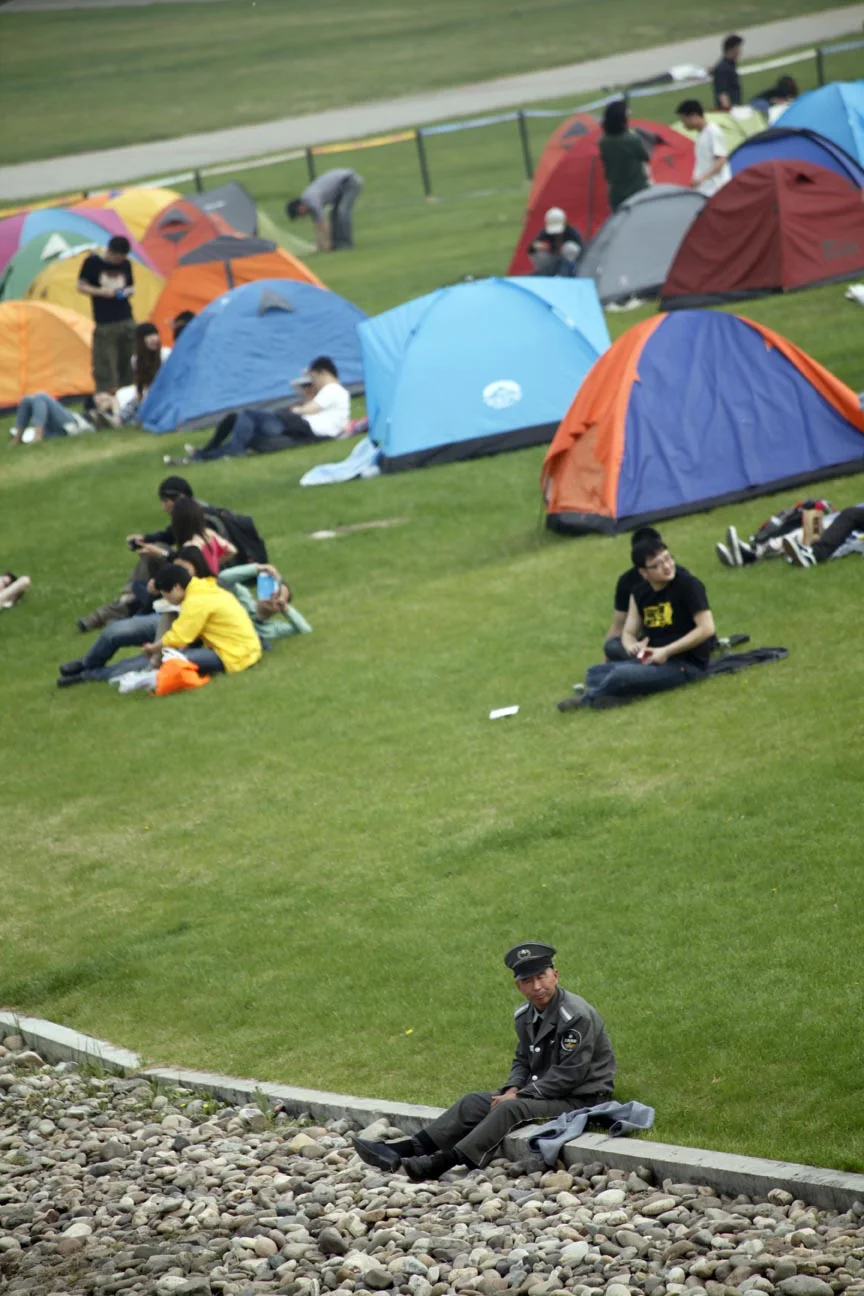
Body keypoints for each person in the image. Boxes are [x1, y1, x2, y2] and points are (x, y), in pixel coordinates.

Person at [352, 942, 616, 1181]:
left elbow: (571, 1074)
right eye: (528, 980)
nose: (537, 986)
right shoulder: (525, 1015)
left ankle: (443, 1162)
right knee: (473, 1102)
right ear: (518, 986)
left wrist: (520, 1095)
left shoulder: (575, 1016)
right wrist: (512, 1087)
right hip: (545, 1091)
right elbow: (523, 1060)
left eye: (541, 977)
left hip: (581, 1098)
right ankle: (404, 1150)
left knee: (509, 1109)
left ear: (555, 975)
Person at [559, 536, 715, 711]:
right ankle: (627, 693)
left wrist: (666, 651)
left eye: (668, 558)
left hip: (684, 663)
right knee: (595, 671)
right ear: (643, 572)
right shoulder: (639, 593)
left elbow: (707, 628)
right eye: (657, 565)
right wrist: (632, 645)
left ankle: (588, 699)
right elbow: (628, 632)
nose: (667, 566)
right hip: (650, 657)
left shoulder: (688, 585)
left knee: (620, 674)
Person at [182, 357, 351, 461]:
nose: (313, 383)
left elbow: (311, 408)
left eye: (313, 378)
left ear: (323, 373)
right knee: (238, 422)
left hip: (302, 426)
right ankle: (204, 454)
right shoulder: (339, 393)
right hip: (305, 430)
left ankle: (215, 451)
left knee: (248, 414)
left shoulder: (332, 389)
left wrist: (295, 411)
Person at [77, 235, 136, 393]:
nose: (119, 261)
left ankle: (128, 393)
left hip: (126, 318)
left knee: (128, 362)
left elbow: (132, 287)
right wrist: (102, 292)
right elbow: (81, 286)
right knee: (105, 364)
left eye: (122, 258)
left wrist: (126, 292)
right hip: (104, 322)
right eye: (117, 257)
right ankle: (106, 394)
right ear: (110, 251)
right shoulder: (93, 262)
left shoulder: (126, 264)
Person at [604, 527, 664, 661]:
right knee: (611, 647)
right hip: (647, 642)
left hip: (673, 641)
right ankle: (643, 662)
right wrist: (604, 665)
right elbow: (619, 626)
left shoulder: (676, 576)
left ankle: (644, 663)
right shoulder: (628, 583)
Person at [218, 563, 312, 640]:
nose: (273, 598)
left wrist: (286, 610)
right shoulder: (243, 597)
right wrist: (259, 568)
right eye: (271, 591)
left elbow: (305, 630)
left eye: (279, 598)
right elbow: (223, 579)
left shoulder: (274, 629)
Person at [286, 168, 364, 251]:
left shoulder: (311, 200)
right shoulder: (308, 203)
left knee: (343, 211)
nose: (302, 216)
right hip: (340, 188)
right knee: (334, 214)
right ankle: (337, 244)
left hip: (349, 182)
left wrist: (328, 244)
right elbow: (317, 226)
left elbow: (324, 224)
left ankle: (346, 244)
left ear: (300, 207)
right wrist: (319, 246)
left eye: (299, 214)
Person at [598, 100, 651, 211]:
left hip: (616, 195)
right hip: (637, 192)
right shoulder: (632, 139)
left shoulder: (603, 142)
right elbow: (646, 157)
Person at [677, 100, 731, 197]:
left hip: (716, 188)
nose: (683, 124)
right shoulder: (701, 134)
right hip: (706, 188)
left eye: (684, 120)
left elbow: (721, 160)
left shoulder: (713, 131)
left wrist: (701, 178)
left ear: (693, 116)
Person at [169, 497, 236, 574]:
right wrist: (214, 564)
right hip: (214, 578)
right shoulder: (208, 533)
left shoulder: (189, 547)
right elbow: (232, 550)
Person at [10, 393, 93, 445]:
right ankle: (17, 439)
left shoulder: (100, 410)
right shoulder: (94, 395)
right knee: (26, 399)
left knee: (41, 396)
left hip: (75, 425)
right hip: (63, 424)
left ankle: (38, 436)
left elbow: (97, 421)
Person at [528, 208, 583, 277]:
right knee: (537, 253)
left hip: (570, 263)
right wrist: (538, 246)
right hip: (553, 260)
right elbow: (531, 248)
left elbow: (582, 249)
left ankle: (567, 274)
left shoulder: (572, 232)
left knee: (570, 247)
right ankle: (545, 274)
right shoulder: (545, 232)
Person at [713, 34, 744, 110]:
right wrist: (729, 111)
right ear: (731, 49)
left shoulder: (731, 65)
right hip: (728, 111)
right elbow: (722, 94)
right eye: (738, 48)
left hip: (735, 108)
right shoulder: (723, 68)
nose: (740, 51)